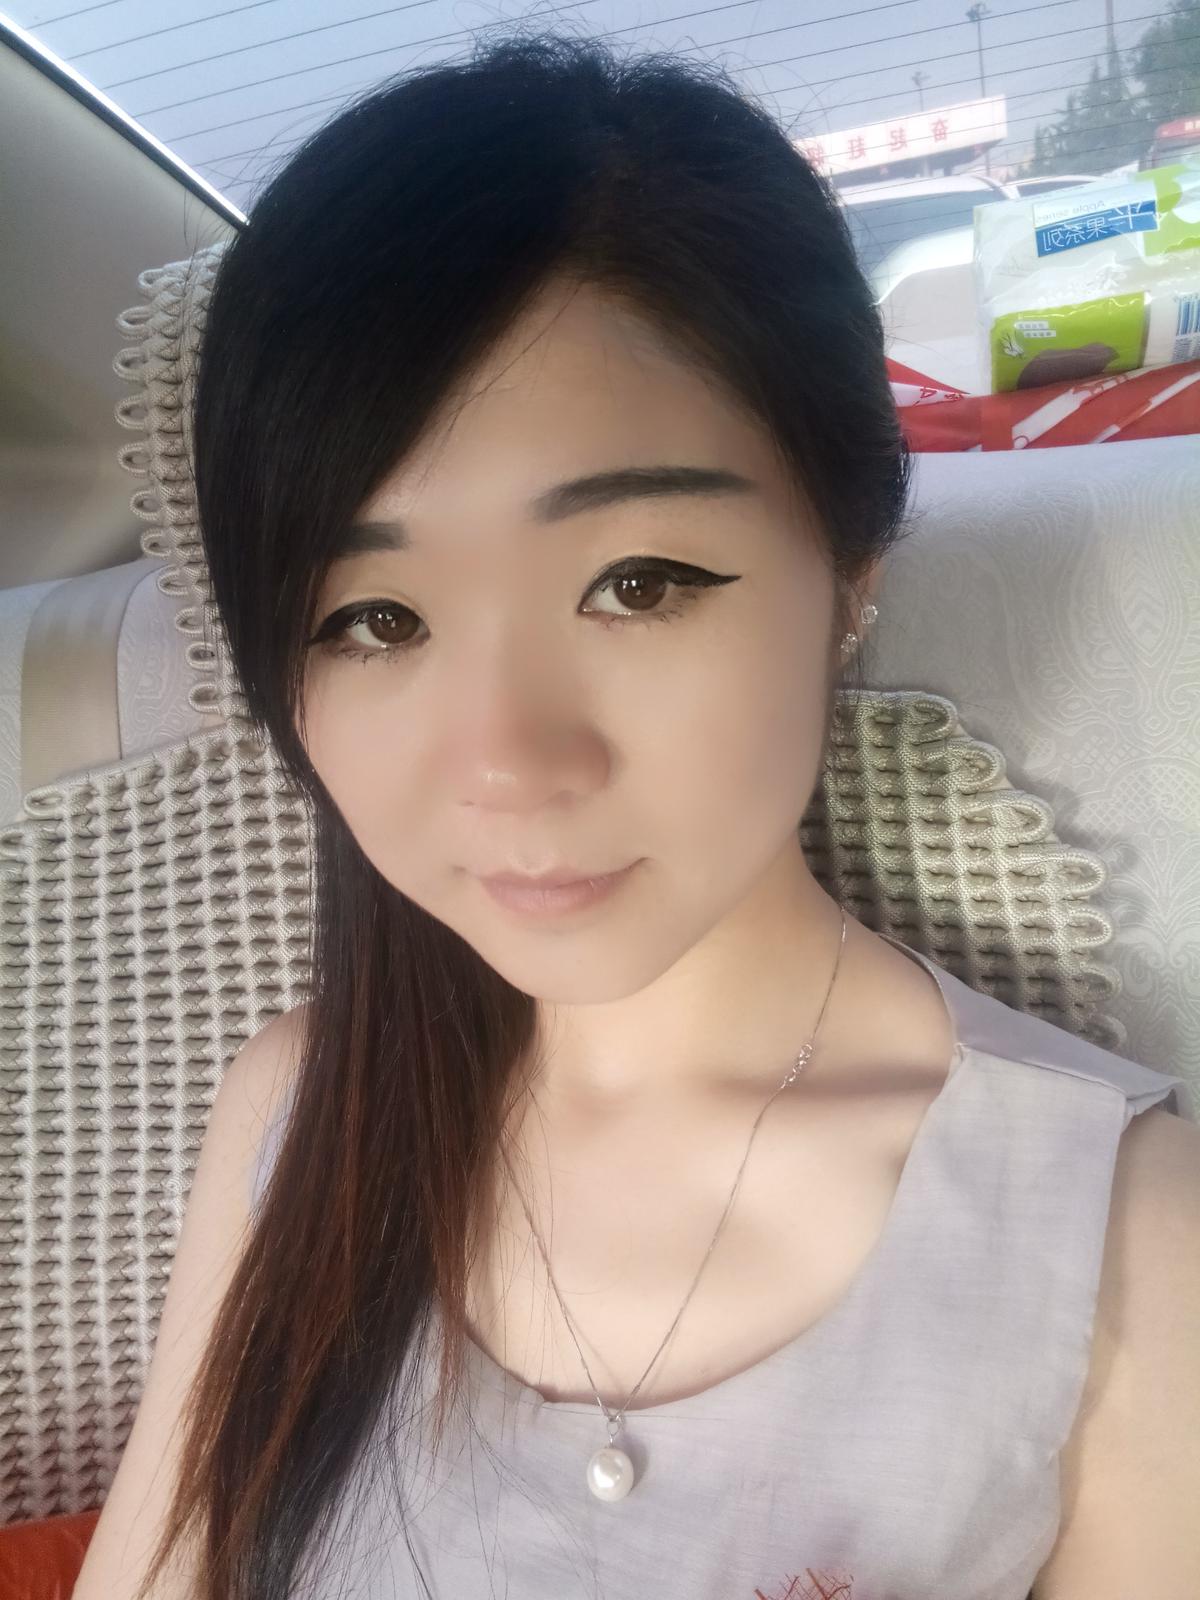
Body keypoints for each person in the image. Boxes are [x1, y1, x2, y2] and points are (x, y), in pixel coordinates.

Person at [73, 28, 1199, 1600]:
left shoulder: (1121, 1241)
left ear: (849, 575)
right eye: (376, 620)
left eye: (638, 584)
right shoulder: (297, 1116)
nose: (509, 764)